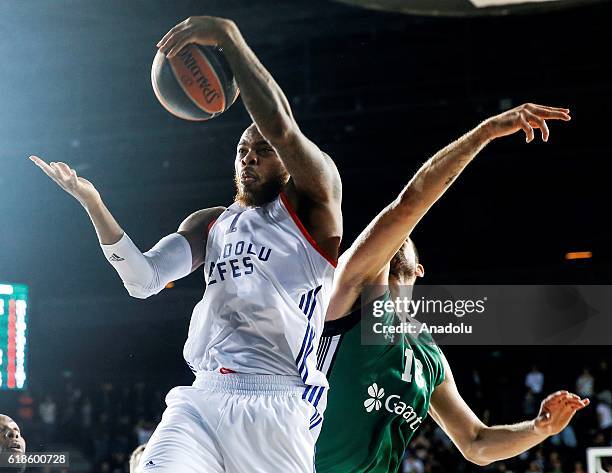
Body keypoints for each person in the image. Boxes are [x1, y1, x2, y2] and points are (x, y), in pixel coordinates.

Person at [30, 14, 342, 473]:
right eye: (242, 151)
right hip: (202, 398)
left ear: (287, 162)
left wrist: (229, 39)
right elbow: (144, 280)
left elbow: (282, 128)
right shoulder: (211, 223)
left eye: (262, 151)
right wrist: (92, 203)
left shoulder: (314, 206)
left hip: (277, 401)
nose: (249, 158)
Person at [315, 103, 589, 472]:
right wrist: (485, 133)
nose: (396, 237)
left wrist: (539, 429)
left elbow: (476, 443)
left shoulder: (428, 356)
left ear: (420, 270)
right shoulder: (354, 287)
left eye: (405, 239)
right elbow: (408, 206)